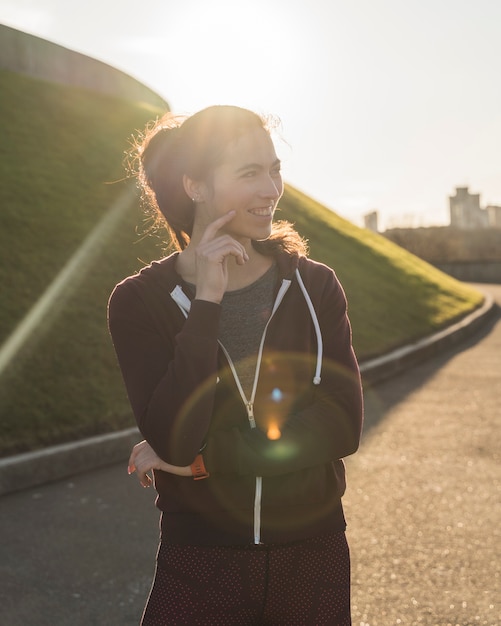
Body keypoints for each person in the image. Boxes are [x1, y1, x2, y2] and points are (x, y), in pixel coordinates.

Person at [108, 105, 363, 625]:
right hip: (200, 560)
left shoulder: (315, 286)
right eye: (250, 173)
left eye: (274, 169)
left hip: (312, 556)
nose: (272, 189)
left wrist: (208, 462)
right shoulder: (140, 302)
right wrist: (206, 304)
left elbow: (341, 426)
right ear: (196, 185)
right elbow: (176, 440)